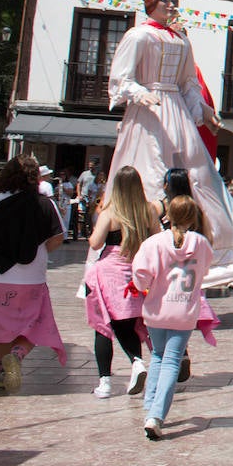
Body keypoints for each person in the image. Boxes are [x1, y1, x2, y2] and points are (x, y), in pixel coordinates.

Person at [105, 0, 233, 287]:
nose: (172, 5)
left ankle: (208, 250)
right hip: (149, 111)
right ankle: (137, 252)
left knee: (197, 174)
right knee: (148, 170)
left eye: (174, 0)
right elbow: (121, 77)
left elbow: (189, 82)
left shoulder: (182, 40)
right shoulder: (138, 35)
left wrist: (205, 111)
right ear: (152, 3)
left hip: (176, 110)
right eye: (166, 1)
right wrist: (138, 93)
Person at [132, 195, 214, 440]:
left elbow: (140, 276)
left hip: (157, 311)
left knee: (158, 355)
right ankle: (156, 415)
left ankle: (150, 403)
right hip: (184, 311)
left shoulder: (154, 242)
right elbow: (206, 270)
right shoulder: (200, 243)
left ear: (168, 214)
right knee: (171, 361)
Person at [84, 166, 161, 399]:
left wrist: (95, 224)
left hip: (108, 273)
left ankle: (105, 382)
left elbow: (95, 243)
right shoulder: (148, 211)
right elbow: (157, 241)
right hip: (135, 273)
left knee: (103, 327)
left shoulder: (110, 212)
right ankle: (136, 363)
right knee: (128, 324)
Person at [0, 155, 67, 393]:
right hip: (31, 279)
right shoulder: (45, 204)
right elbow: (57, 238)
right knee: (36, 323)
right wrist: (40, 249)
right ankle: (16, 355)